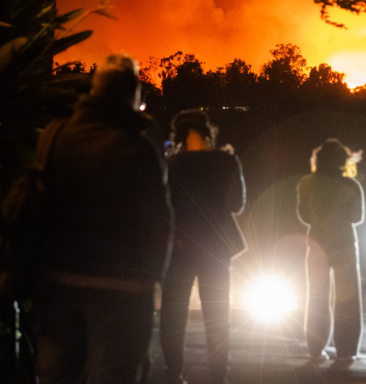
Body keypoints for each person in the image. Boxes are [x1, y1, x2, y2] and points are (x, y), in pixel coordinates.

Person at [36, 54, 173, 384]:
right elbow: (158, 221)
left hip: (59, 286)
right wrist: (153, 279)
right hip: (121, 290)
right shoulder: (137, 148)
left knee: (58, 376)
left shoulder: (55, 136)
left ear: (94, 91)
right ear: (132, 96)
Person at [159, 109, 246, 384]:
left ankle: (174, 373)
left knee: (173, 316)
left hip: (180, 246)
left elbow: (163, 207)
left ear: (179, 135)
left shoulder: (171, 164)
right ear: (207, 132)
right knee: (217, 316)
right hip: (216, 246)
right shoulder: (227, 161)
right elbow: (237, 204)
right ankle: (218, 376)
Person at [297, 139, 365, 361]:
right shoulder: (352, 186)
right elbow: (357, 217)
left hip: (317, 245)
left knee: (317, 298)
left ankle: (316, 348)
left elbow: (304, 216)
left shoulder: (306, 183)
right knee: (347, 299)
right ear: (342, 161)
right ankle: (346, 351)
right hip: (344, 245)